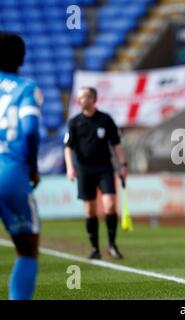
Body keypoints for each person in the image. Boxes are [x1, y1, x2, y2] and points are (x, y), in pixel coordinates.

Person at [0, 32, 42, 300]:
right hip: (10, 174)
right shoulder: (26, 88)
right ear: (22, 58)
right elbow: (30, 131)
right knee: (27, 249)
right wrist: (33, 167)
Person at [64, 87, 127, 260]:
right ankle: (94, 248)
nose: (79, 100)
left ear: (92, 99)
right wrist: (70, 167)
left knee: (110, 204)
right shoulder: (74, 122)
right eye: (78, 97)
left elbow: (116, 144)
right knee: (90, 210)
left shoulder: (105, 119)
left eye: (83, 97)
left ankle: (112, 245)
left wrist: (123, 165)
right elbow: (68, 147)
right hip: (84, 170)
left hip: (104, 168)